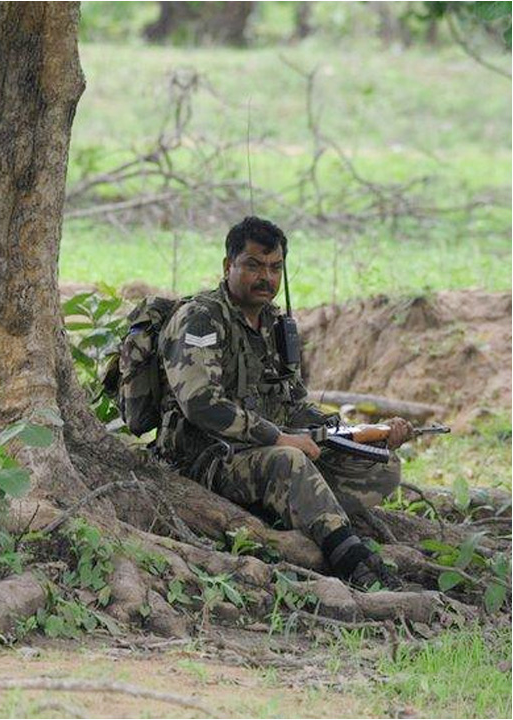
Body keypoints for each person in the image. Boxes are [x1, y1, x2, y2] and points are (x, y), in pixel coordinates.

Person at [157, 216, 412, 589]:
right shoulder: (200, 319)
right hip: (207, 459)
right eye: (253, 266)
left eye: (275, 268)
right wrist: (277, 437)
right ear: (228, 266)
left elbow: (295, 403)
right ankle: (354, 563)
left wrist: (358, 433)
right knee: (289, 461)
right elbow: (201, 404)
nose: (266, 277)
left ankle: (302, 509)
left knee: (381, 465)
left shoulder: (275, 325)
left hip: (266, 452)